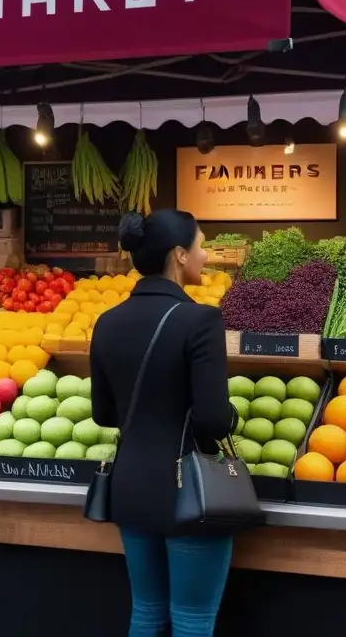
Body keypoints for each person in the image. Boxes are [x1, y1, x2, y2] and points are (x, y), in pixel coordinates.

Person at [89, 209, 239, 637]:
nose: (205, 256)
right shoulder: (201, 320)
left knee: (146, 613)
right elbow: (212, 419)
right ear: (179, 255)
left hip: (131, 486)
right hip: (188, 491)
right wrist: (233, 416)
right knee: (192, 620)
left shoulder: (108, 321)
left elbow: (104, 415)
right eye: (200, 246)